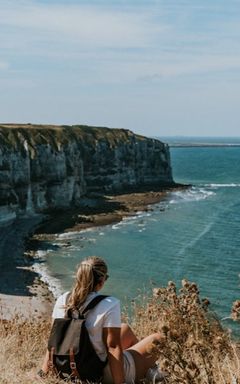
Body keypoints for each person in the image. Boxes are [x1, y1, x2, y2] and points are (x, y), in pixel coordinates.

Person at [36, 256, 166, 383]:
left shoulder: (63, 299)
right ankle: (148, 371)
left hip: (66, 367)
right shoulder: (109, 303)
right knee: (159, 338)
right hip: (98, 373)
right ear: (101, 280)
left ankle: (147, 368)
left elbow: (54, 340)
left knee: (124, 328)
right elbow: (113, 347)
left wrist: (44, 372)